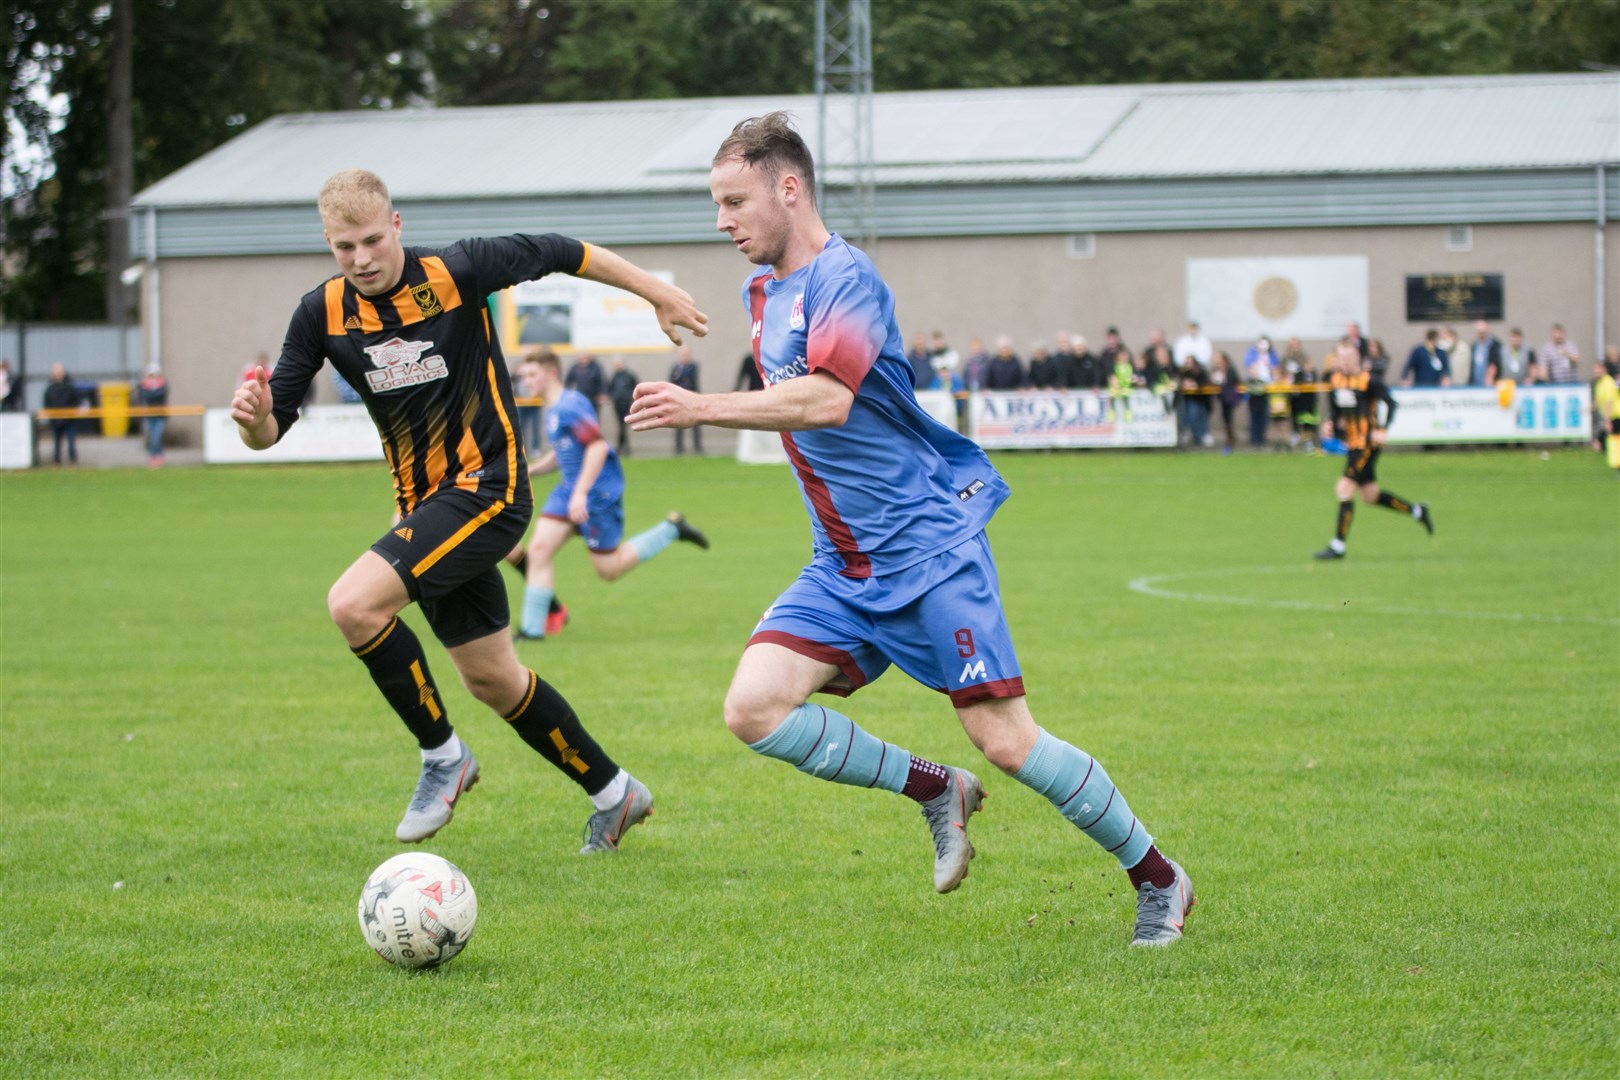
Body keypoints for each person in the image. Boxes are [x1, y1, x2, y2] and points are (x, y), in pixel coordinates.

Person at [628, 112, 1193, 947]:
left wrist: (702, 406)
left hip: (927, 552)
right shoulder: (762, 292)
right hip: (842, 565)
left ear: (789, 187)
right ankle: (934, 790)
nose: (723, 222)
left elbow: (828, 400)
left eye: (734, 201)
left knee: (1005, 740)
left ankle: (1159, 880)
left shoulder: (845, 279)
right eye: (717, 204)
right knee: (754, 708)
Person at [228, 168, 706, 852]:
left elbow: (567, 250)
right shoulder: (321, 313)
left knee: (354, 605)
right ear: (328, 244)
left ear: (396, 225)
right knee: (493, 679)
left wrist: (656, 292)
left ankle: (442, 757)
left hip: (491, 491)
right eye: (343, 247)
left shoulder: (459, 270)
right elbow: (272, 424)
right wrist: (251, 421)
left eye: (370, 240)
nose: (361, 259)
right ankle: (615, 792)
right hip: (424, 510)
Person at [511, 349, 710, 641]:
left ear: (551, 372)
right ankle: (531, 629)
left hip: (596, 494)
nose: (526, 381)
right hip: (569, 490)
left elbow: (596, 448)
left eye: (531, 374)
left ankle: (671, 530)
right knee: (539, 551)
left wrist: (580, 494)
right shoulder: (552, 408)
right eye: (523, 376)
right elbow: (566, 450)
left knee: (608, 570)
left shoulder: (570, 404)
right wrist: (532, 470)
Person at [1314, 342, 1434, 560]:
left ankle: (1338, 546)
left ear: (1357, 359)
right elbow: (1336, 411)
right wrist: (1330, 424)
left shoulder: (1369, 380)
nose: (1345, 362)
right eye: (1341, 358)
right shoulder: (1336, 381)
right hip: (1351, 444)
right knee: (1371, 495)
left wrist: (1382, 429)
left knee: (1344, 488)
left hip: (1367, 444)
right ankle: (1417, 511)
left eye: (1349, 358)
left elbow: (1391, 403)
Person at [1243, 336, 1278, 448]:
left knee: (1264, 416)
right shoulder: (1253, 353)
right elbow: (1248, 363)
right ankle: (1254, 439)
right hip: (1255, 390)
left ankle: (1262, 438)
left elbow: (1275, 365)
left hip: (1267, 389)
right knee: (1254, 417)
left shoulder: (1271, 355)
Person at [44, 363, 82, 464]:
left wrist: (72, 413)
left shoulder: (70, 386)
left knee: (71, 441)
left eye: (59, 372)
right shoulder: (50, 388)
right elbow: (47, 403)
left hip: (69, 419)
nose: (57, 374)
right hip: (56, 420)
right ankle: (56, 460)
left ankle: (73, 460)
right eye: (55, 372)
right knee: (56, 442)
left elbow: (76, 401)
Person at [668, 345, 704, 454]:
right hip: (678, 398)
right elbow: (672, 381)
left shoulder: (693, 367)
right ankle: (679, 447)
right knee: (678, 422)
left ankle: (698, 447)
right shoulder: (676, 368)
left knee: (696, 422)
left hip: (692, 397)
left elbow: (694, 381)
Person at [136, 363, 169, 467]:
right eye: (150, 375)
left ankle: (157, 456)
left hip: (160, 415)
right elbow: (143, 396)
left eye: (154, 374)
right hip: (149, 415)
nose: (152, 377)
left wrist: (151, 391)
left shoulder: (163, 385)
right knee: (152, 437)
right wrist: (148, 389)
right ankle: (154, 457)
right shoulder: (143, 385)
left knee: (157, 436)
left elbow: (159, 395)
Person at [513, 351, 546, 454]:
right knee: (520, 427)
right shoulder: (518, 370)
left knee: (535, 427)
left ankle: (536, 449)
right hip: (521, 404)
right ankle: (522, 448)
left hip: (535, 403)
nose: (527, 381)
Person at [607, 357, 637, 455]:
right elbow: (610, 388)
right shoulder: (614, 376)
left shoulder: (629, 375)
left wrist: (633, 399)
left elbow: (635, 386)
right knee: (620, 425)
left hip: (627, 403)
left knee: (624, 425)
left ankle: (624, 446)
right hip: (617, 403)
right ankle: (622, 446)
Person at [1469, 321, 1503, 387]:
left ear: (1487, 330)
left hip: (1490, 384)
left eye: (1483, 332)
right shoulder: (1475, 346)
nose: (1481, 334)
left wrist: (1491, 376)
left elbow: (1495, 364)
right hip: (1476, 384)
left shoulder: (1495, 345)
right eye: (1479, 332)